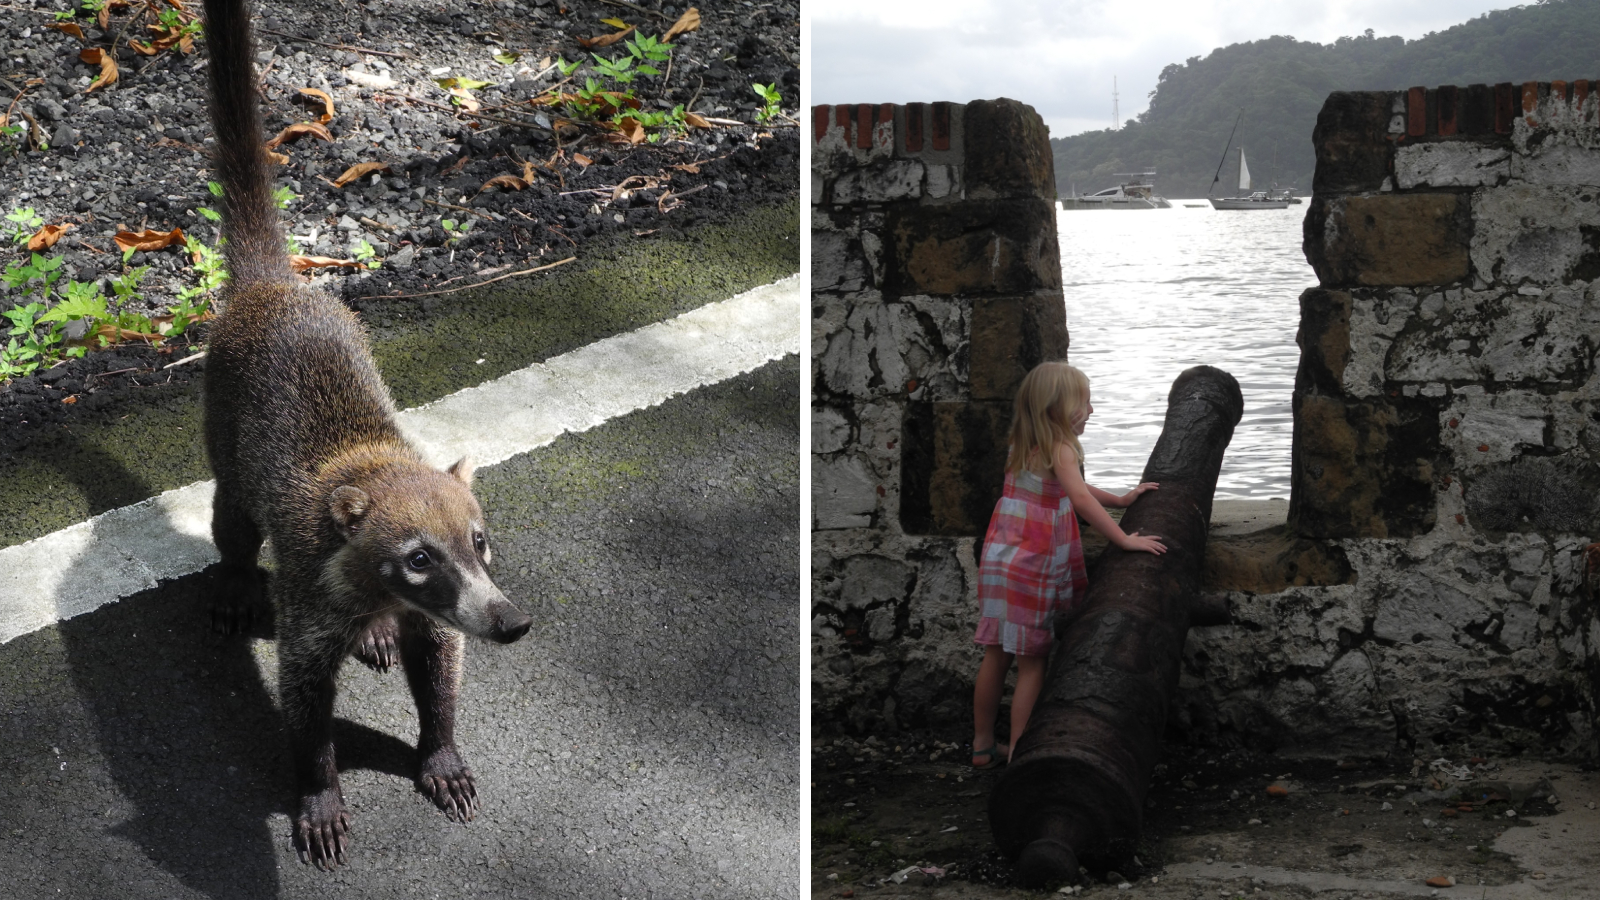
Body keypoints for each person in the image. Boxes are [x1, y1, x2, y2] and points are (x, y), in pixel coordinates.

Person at [970, 362, 1166, 769]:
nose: (1091, 411)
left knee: (994, 655)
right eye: (1085, 403)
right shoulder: (1062, 446)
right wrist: (1124, 538)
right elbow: (1077, 498)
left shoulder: (1024, 441)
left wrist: (1119, 498)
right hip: (1033, 564)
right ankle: (1022, 755)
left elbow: (1069, 483)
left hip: (1001, 558)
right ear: (1059, 408)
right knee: (1031, 663)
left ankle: (982, 744)